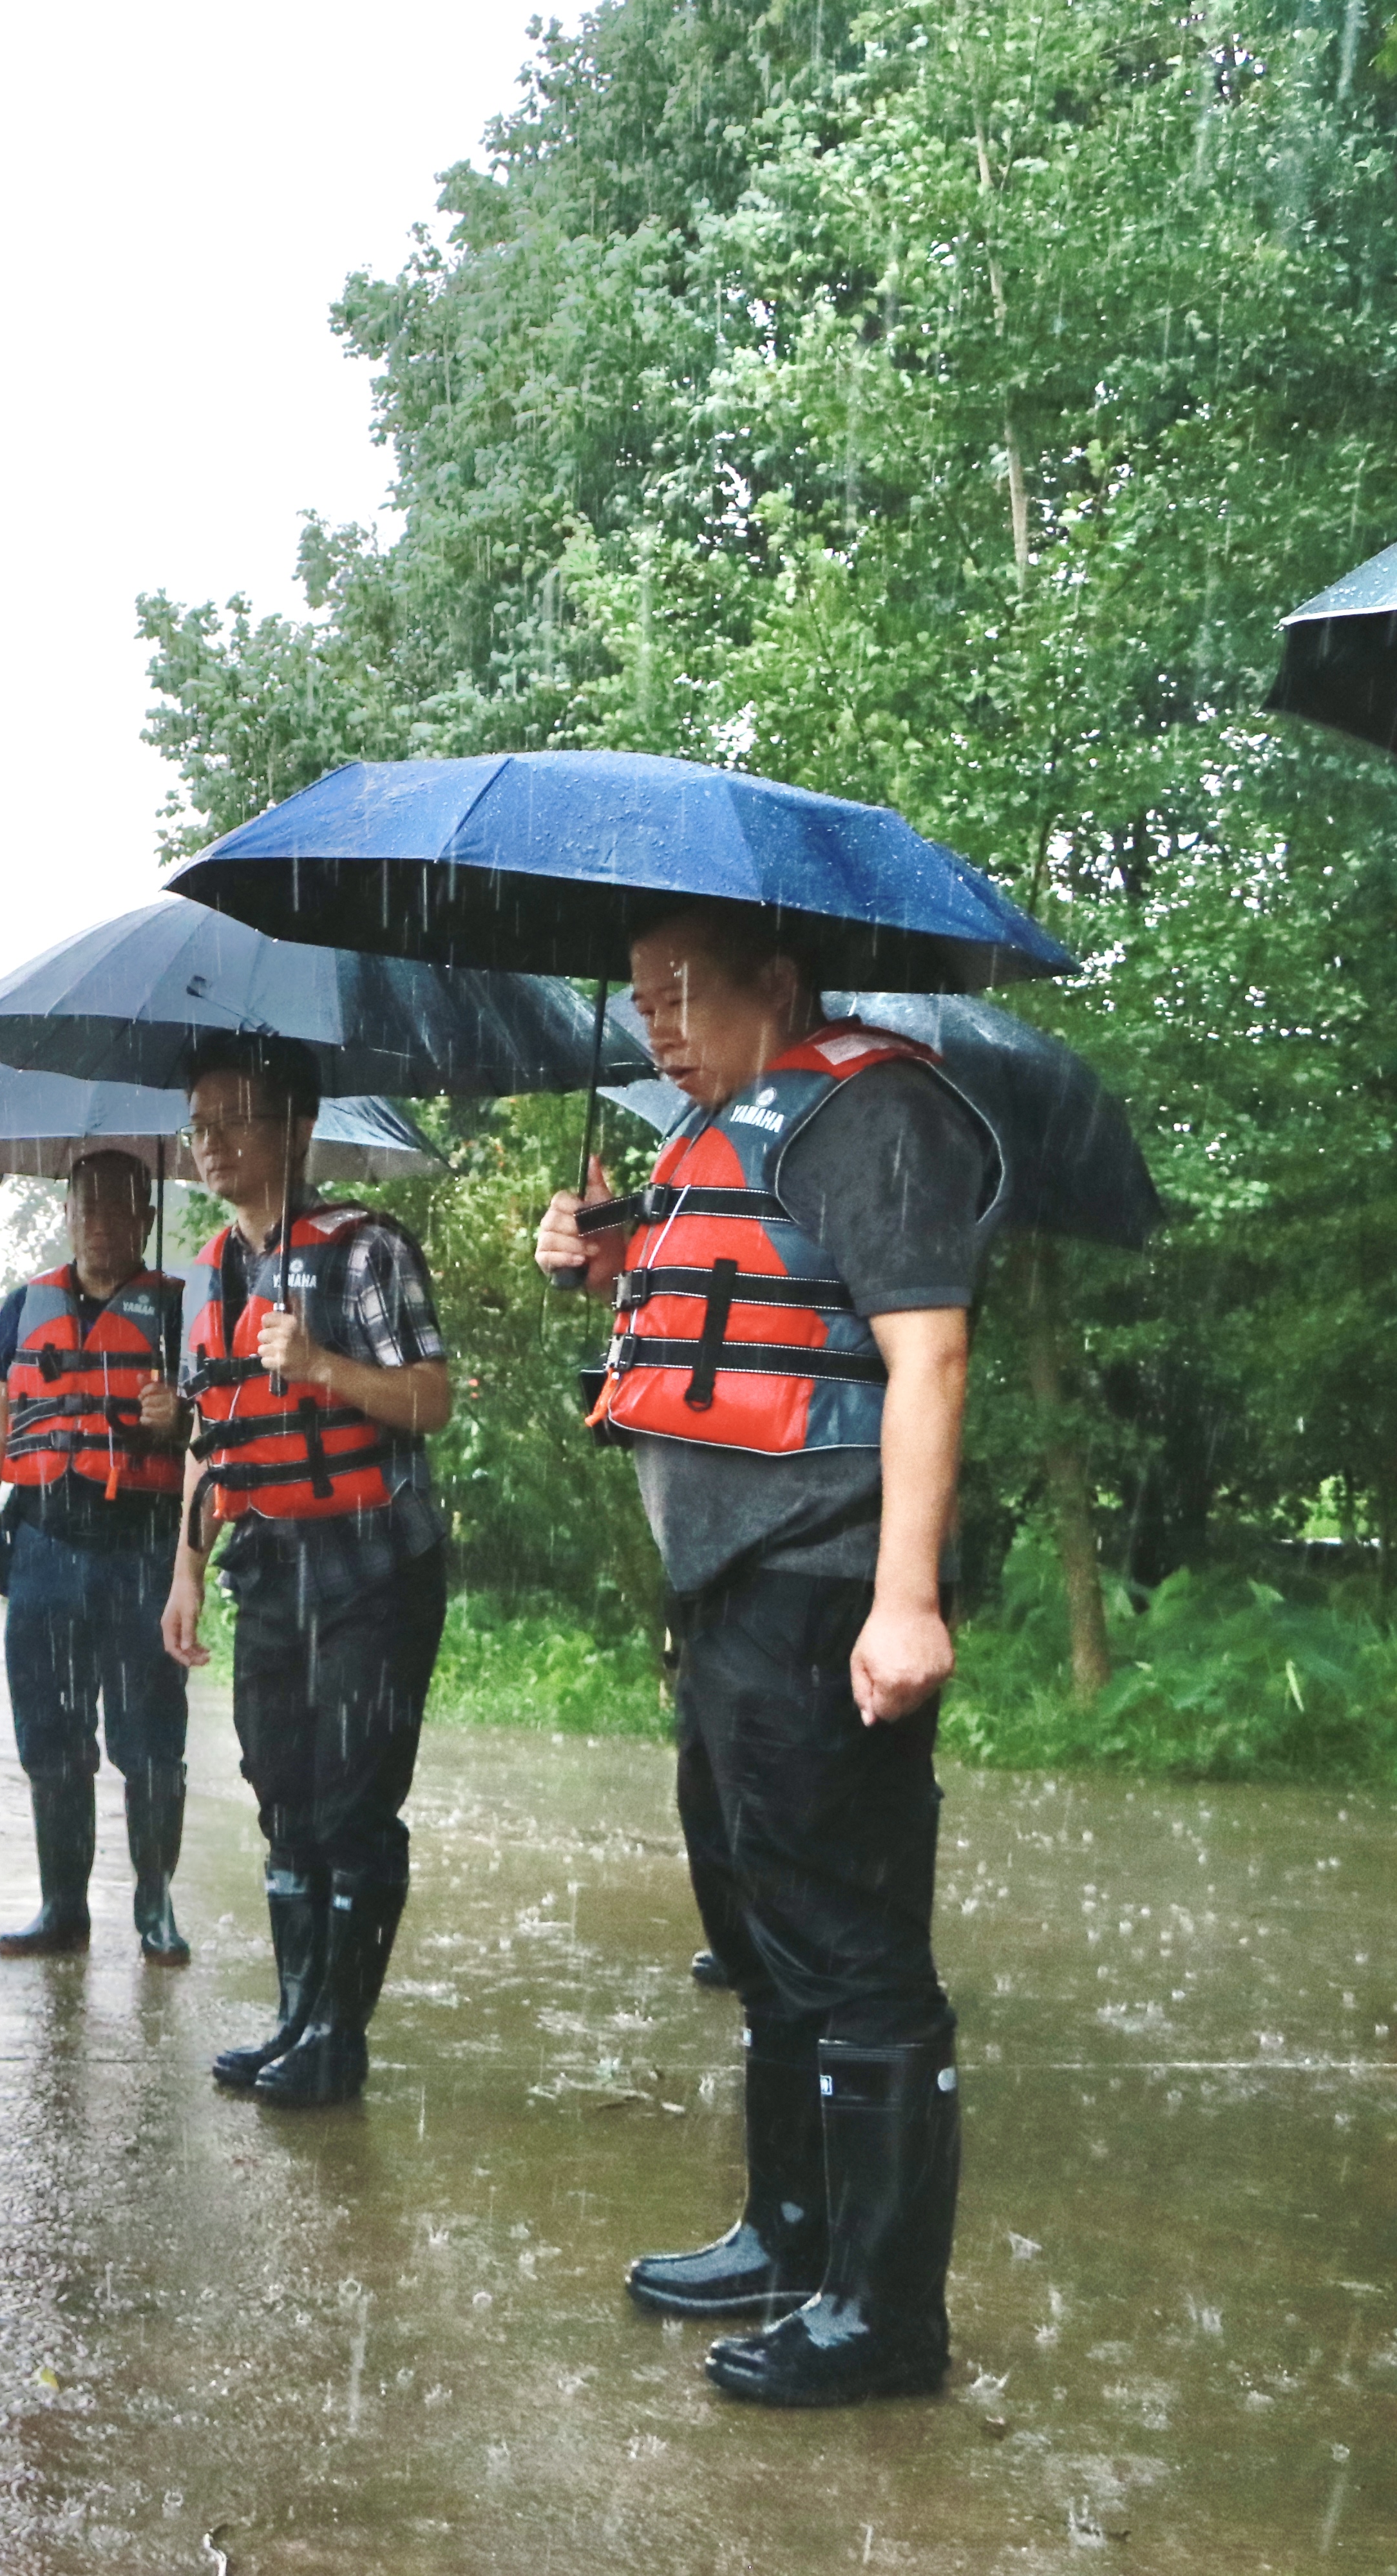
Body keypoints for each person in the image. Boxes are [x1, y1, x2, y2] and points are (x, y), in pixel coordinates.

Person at [536, 901, 1000, 2409]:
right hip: (731, 1593)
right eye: (642, 998)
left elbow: (928, 1353)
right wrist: (598, 1261)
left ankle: (884, 2312)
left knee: (854, 1946)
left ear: (779, 983)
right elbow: (732, 1316)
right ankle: (790, 2232)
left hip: (824, 1584)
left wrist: (904, 1598)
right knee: (762, 1925)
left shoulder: (875, 1112)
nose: (658, 1025)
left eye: (681, 991)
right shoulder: (718, 1134)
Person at [158, 1034, 455, 2110]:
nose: (211, 1143)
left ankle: (339, 2036)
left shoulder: (368, 1251)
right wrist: (186, 1573)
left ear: (297, 1128)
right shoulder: (210, 1274)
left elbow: (431, 1399)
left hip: (375, 1566)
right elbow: (209, 1438)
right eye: (199, 1125)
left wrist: (324, 1366)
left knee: (352, 1806)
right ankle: (296, 2017)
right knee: (282, 1796)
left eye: (235, 1119)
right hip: (269, 1565)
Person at [0, 1146, 193, 1962]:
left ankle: (155, 1906)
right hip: (44, 1551)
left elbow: (216, 1433)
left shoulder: (179, 1312)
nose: (100, 1222)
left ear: (146, 1218)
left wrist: (177, 1419)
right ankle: (63, 1909)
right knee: (51, 1740)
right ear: (66, 1214)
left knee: (150, 1744)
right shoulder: (24, 1308)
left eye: (119, 1207)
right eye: (86, 1205)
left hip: (141, 1553)